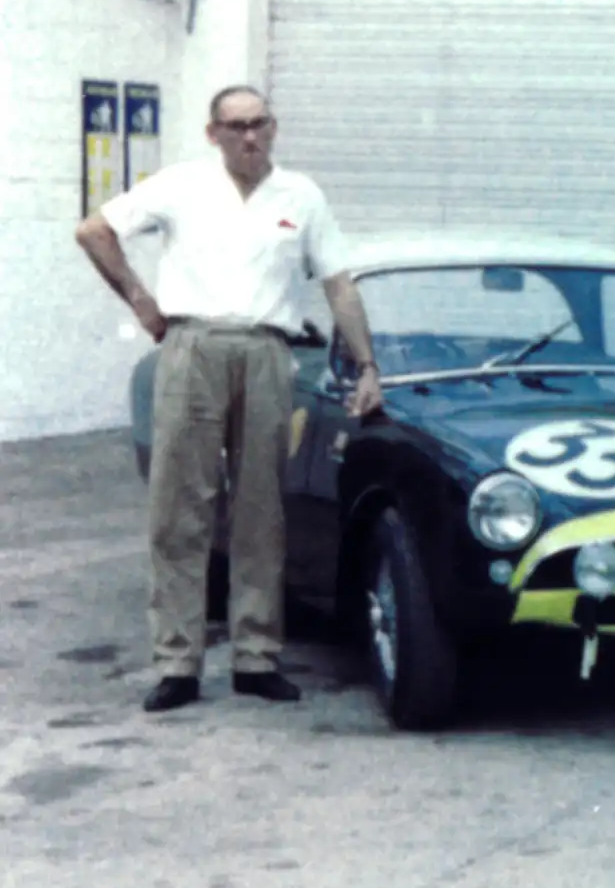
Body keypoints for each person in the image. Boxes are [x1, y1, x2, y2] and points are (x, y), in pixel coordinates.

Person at [75, 84, 384, 713]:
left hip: (270, 351)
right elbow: (94, 230)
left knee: (261, 506)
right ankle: (177, 661)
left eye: (260, 123)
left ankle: (255, 655)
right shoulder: (181, 184)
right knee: (180, 507)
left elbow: (340, 285)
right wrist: (141, 302)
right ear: (213, 132)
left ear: (274, 127)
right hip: (192, 347)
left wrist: (368, 365)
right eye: (236, 126)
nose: (250, 136)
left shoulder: (301, 195)